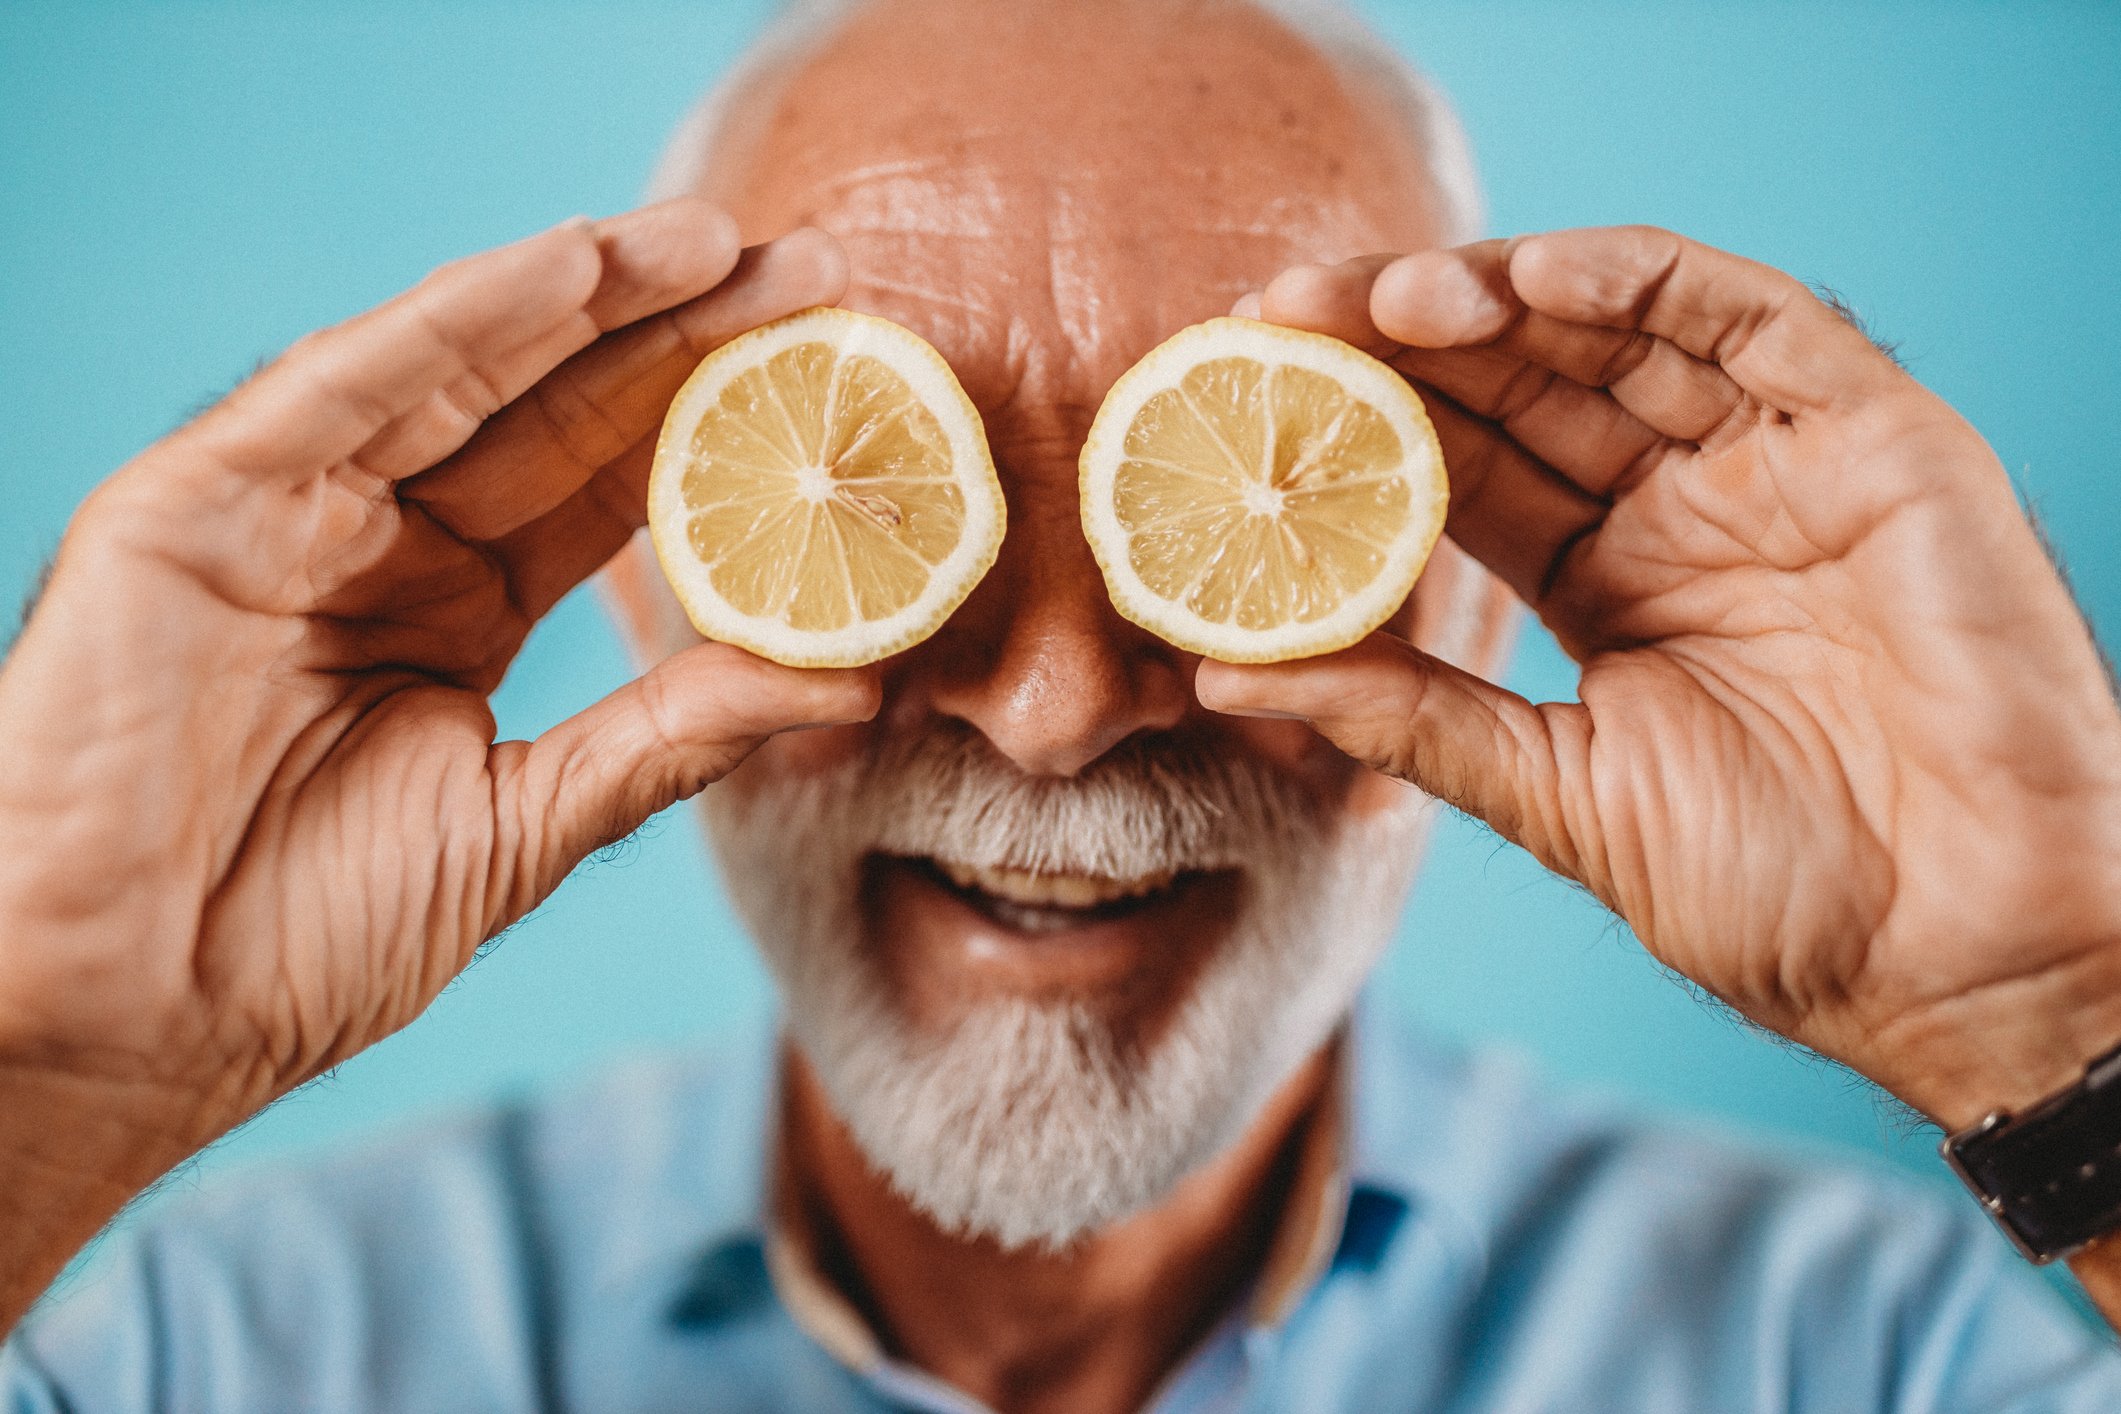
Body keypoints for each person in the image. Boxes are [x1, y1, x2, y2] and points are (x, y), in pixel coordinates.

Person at [4, 0, 2120, 1408]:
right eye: (896, 497)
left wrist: (2050, 1021)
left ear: (1482, 581)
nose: (1050, 713)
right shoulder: (230, 1347)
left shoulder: (1861, 1346)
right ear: (656, 564)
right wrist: (51, 1067)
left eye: (1233, 507)